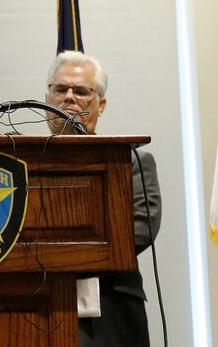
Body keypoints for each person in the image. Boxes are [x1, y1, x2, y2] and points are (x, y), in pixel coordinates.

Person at [44, 51, 162, 347]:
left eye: (81, 91)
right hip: (38, 305)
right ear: (46, 98)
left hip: (111, 307)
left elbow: (140, 228)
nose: (69, 98)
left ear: (101, 104)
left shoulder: (132, 161)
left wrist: (56, 257)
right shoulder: (22, 164)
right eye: (60, 89)